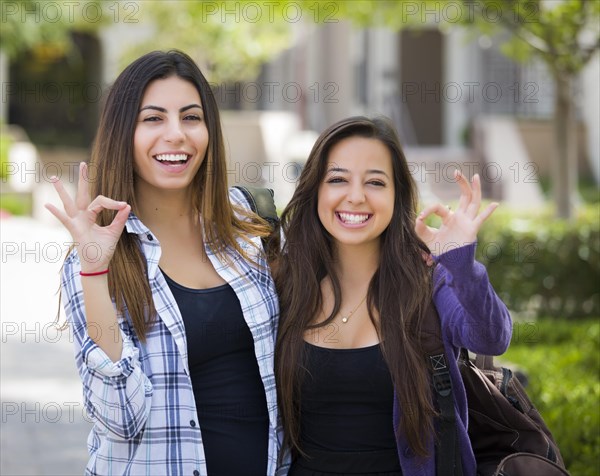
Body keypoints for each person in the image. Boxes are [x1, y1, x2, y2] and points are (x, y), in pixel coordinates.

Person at [46, 50, 284, 476]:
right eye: (153, 119)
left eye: (191, 117)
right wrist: (96, 271)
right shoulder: (94, 260)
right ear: (123, 133)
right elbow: (119, 418)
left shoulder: (251, 226)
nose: (176, 134)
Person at [274, 116, 512, 475]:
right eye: (338, 179)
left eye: (375, 182)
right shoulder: (286, 285)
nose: (355, 196)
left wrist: (461, 265)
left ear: (397, 195)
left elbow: (491, 337)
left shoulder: (429, 282)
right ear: (315, 190)